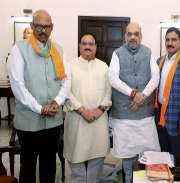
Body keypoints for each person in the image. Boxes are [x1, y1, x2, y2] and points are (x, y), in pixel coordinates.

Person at [7, 9, 71, 183]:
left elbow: (66, 79)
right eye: (39, 26)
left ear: (52, 27)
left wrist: (57, 102)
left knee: (49, 163)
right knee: (28, 165)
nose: (43, 30)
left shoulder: (58, 49)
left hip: (53, 119)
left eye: (47, 27)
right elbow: (18, 86)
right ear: (31, 26)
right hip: (29, 121)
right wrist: (39, 108)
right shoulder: (19, 50)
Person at [109, 23, 160, 183]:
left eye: (136, 34)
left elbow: (155, 77)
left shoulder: (149, 52)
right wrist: (133, 93)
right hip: (124, 115)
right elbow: (113, 79)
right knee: (126, 153)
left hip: (144, 114)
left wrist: (142, 96)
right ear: (125, 36)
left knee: (145, 152)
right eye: (129, 34)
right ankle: (127, 179)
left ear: (141, 36)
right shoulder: (117, 54)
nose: (132, 37)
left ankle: (142, 180)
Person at [64, 33, 111, 183]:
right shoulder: (70, 66)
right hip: (77, 120)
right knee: (76, 157)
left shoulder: (104, 67)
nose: (87, 46)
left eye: (91, 44)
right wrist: (82, 110)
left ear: (96, 47)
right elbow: (65, 92)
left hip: (98, 120)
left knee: (97, 158)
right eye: (84, 43)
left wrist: (98, 111)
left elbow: (109, 92)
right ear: (80, 46)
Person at [155, 27, 180, 180]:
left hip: (178, 117)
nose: (170, 43)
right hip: (160, 114)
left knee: (179, 154)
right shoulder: (160, 61)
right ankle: (165, 177)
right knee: (164, 152)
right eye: (167, 40)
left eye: (174, 40)